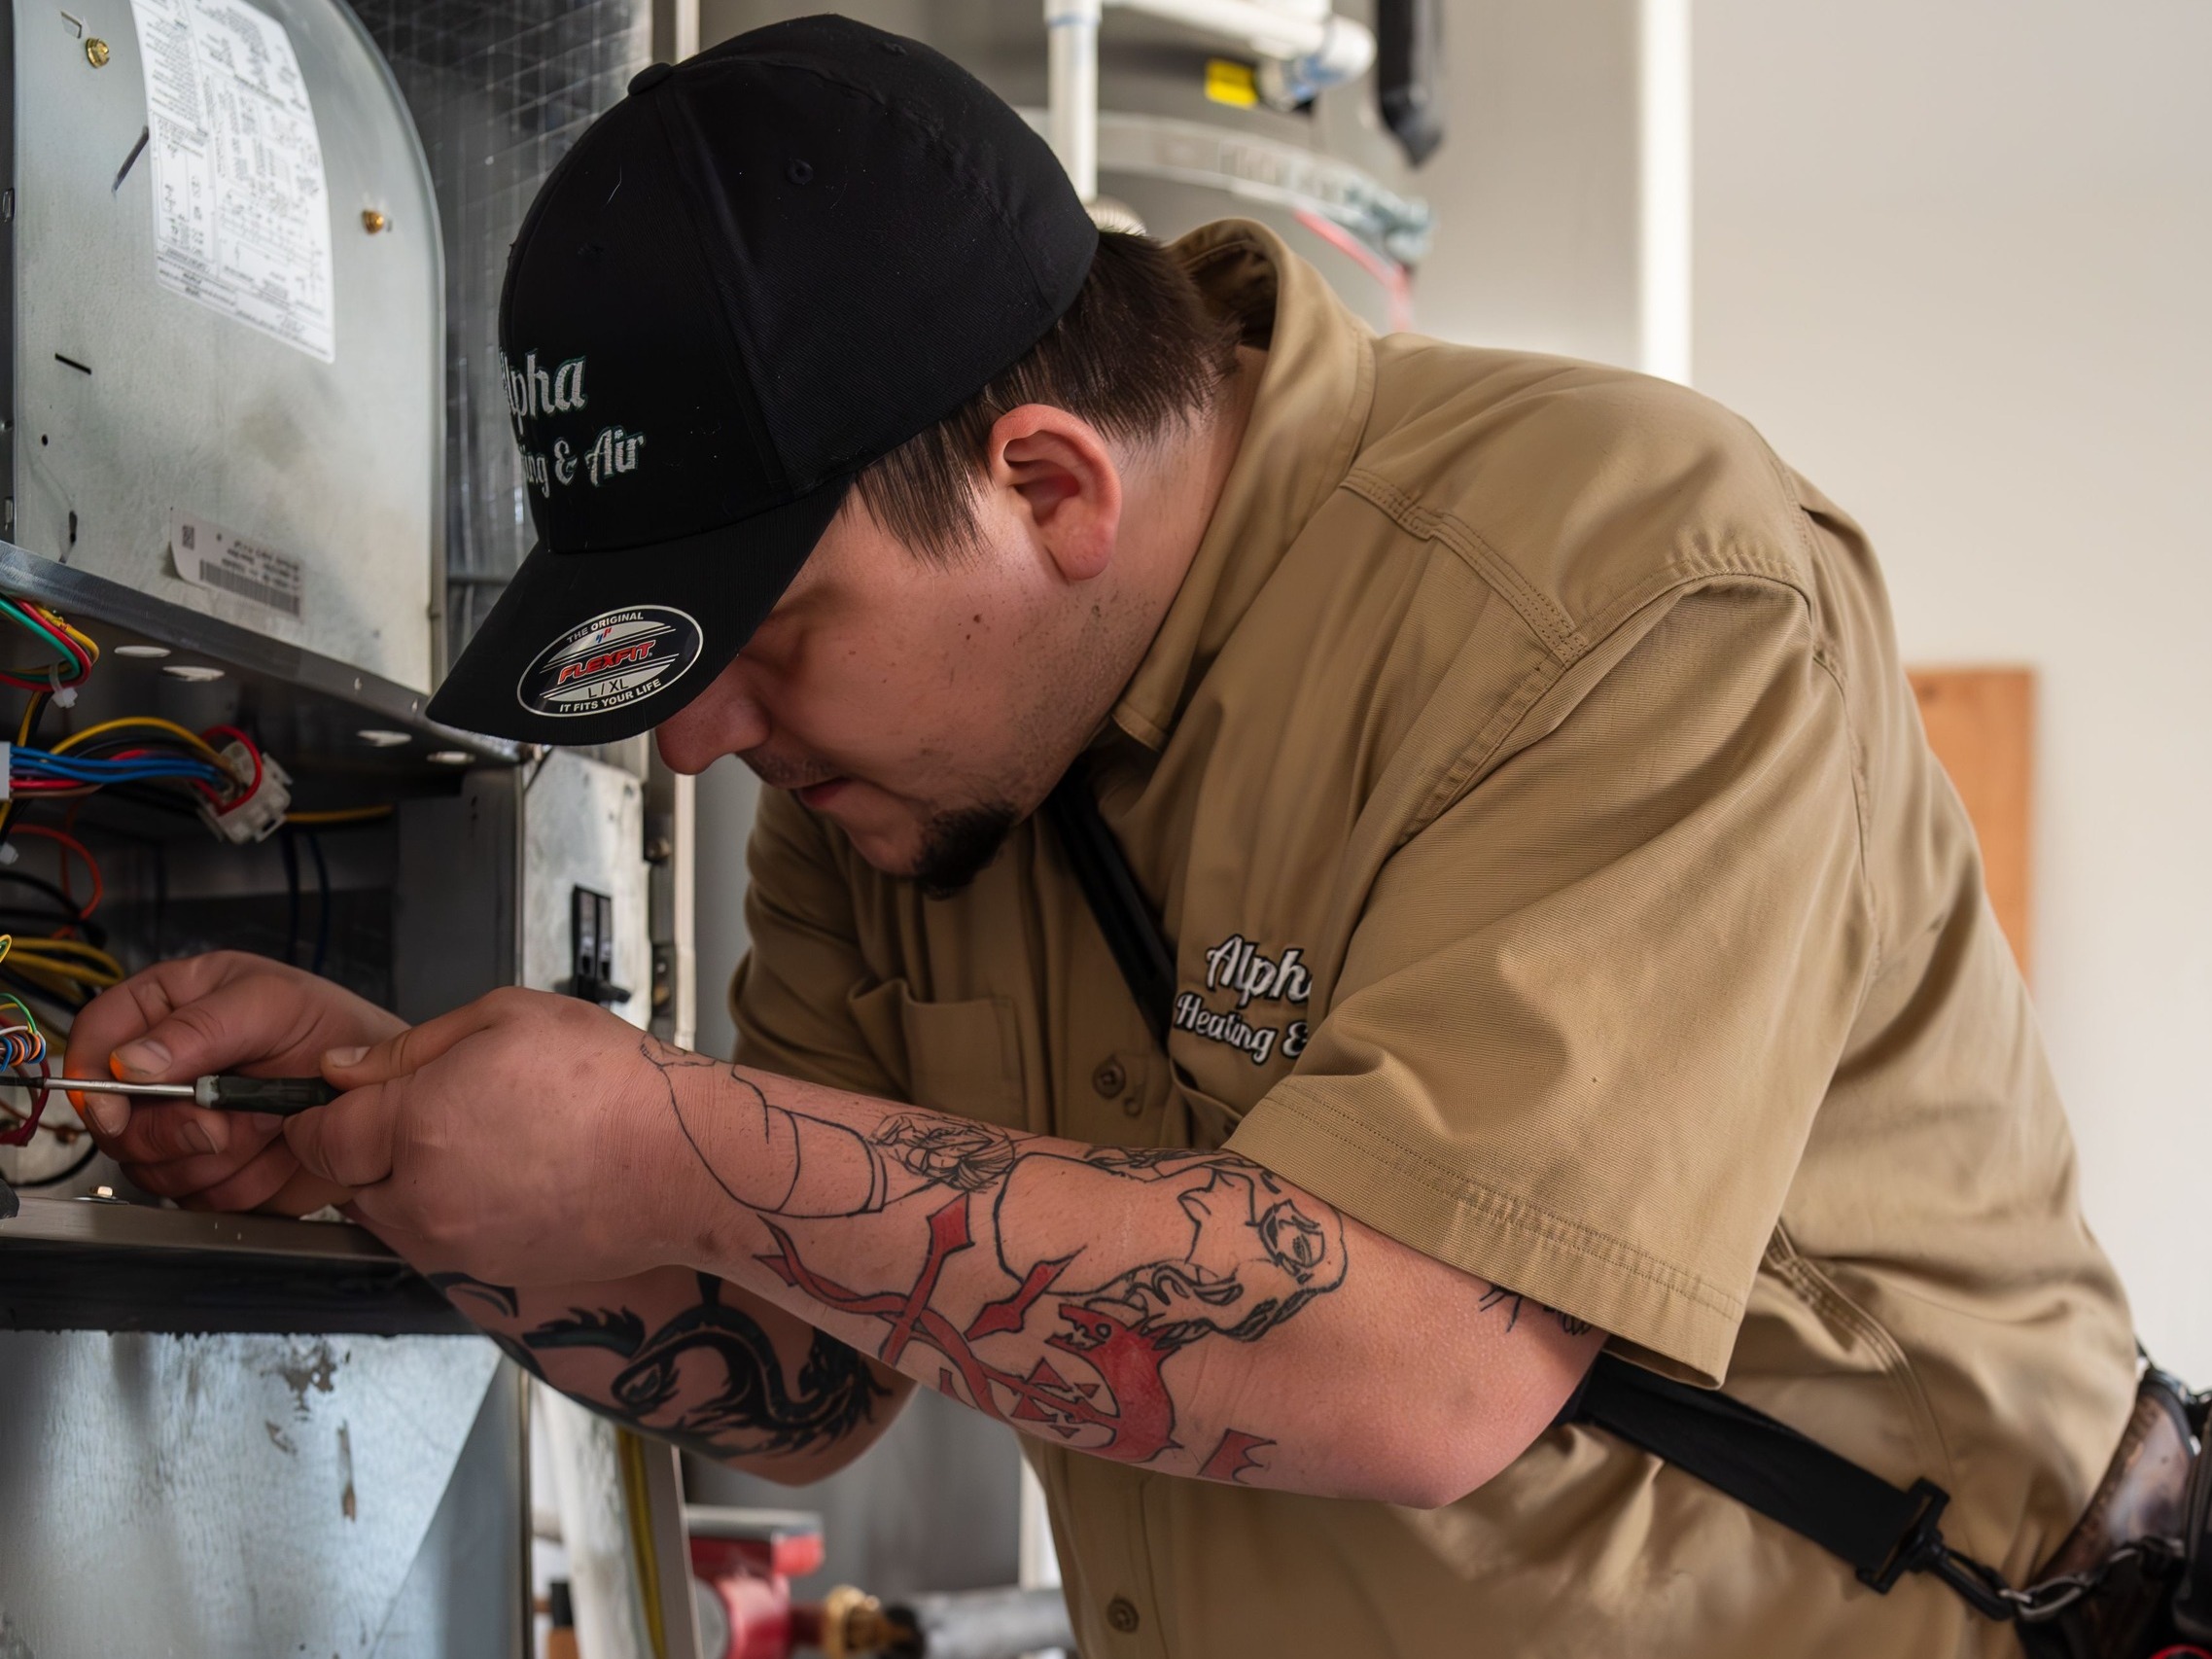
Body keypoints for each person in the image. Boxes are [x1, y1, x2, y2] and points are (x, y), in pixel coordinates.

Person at [72, 16, 2137, 1656]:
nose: (703, 738)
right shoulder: (895, 781)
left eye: (768, 636)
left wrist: (641, 1135)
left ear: (1049, 485)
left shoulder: (1621, 585)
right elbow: (809, 1371)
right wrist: (391, 1133)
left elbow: (1416, 1364)